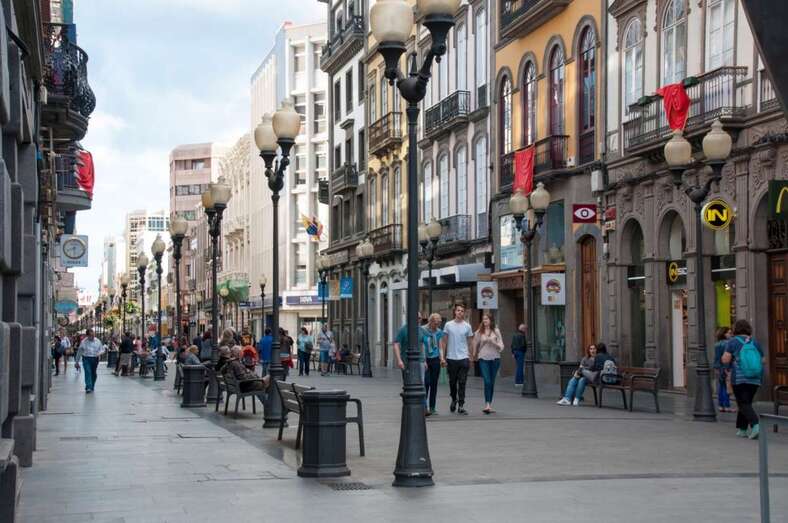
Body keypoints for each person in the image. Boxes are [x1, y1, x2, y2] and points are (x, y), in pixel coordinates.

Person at [722, 319, 765, 439]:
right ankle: (742, 429)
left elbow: (725, 359)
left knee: (742, 403)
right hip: (755, 378)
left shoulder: (733, 342)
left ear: (735, 329)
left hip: (739, 378)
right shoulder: (754, 342)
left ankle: (756, 425)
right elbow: (763, 360)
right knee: (746, 402)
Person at [440, 304, 474, 415]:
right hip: (451, 358)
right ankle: (454, 399)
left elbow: (470, 343)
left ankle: (461, 405)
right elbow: (444, 341)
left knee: (462, 382)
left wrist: (471, 357)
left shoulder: (467, 326)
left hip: (464, 357)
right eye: (458, 310)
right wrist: (442, 357)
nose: (460, 312)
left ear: (464, 313)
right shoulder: (448, 325)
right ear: (455, 312)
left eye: (462, 311)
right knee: (452, 382)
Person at [474, 313, 504, 414]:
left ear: (491, 320)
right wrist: (474, 354)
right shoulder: (479, 332)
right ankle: (487, 404)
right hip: (483, 358)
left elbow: (501, 346)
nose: (485, 321)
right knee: (487, 381)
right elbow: (475, 344)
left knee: (491, 382)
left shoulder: (496, 330)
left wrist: (493, 342)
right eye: (483, 319)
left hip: (495, 359)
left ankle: (489, 404)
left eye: (486, 319)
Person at [423, 313, 445, 416]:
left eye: (438, 324)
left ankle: (432, 407)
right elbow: (421, 345)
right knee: (426, 382)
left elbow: (440, 347)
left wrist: (442, 358)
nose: (436, 326)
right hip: (426, 359)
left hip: (435, 359)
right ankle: (424, 406)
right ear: (431, 321)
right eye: (435, 323)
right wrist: (423, 360)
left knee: (434, 384)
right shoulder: (423, 330)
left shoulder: (439, 332)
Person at [75, 329, 105, 393]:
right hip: (86, 358)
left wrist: (99, 353)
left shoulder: (98, 341)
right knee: (88, 372)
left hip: (95, 359)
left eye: (93, 335)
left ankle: (92, 386)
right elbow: (79, 352)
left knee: (93, 373)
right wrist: (76, 362)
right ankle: (88, 386)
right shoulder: (83, 342)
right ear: (87, 336)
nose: (93, 336)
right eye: (91, 335)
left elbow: (102, 349)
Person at [714, 326, 734, 413]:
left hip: (719, 367)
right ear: (724, 334)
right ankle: (727, 406)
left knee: (721, 386)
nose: (731, 335)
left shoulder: (717, 344)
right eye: (729, 333)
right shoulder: (727, 344)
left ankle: (720, 405)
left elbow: (716, 358)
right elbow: (727, 357)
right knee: (726, 386)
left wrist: (716, 367)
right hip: (726, 367)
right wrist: (727, 368)